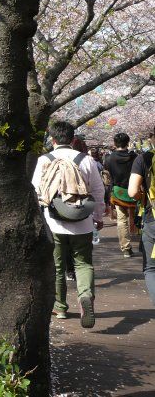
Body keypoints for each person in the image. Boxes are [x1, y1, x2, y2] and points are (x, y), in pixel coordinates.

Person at [31, 121, 105, 328]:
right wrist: (98, 217)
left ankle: (61, 307)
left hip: (53, 222)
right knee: (83, 263)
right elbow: (98, 191)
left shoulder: (44, 160)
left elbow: (35, 192)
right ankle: (86, 296)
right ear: (73, 140)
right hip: (83, 222)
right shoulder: (86, 160)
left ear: (52, 140)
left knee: (57, 266)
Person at [128, 127, 155, 304]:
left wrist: (142, 197)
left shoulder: (143, 158)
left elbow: (132, 192)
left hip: (152, 216)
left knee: (151, 268)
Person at [105, 133, 138, 257]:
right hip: (135, 191)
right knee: (139, 216)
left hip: (118, 192)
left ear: (114, 143)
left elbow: (108, 176)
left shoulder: (109, 158)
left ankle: (126, 248)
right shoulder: (135, 157)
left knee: (121, 220)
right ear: (128, 143)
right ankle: (144, 244)